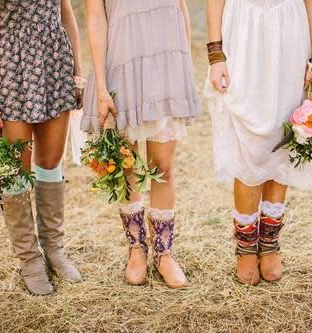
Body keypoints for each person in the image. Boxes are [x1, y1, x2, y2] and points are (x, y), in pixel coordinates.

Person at [205, 0, 312, 285]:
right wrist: (215, 53)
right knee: (250, 141)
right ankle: (246, 244)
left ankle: (270, 240)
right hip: (242, 30)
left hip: (290, 30)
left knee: (284, 132)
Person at [0, 0, 84, 295]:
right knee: (16, 169)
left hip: (55, 60)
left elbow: (66, 13)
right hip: (10, 67)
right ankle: (29, 259)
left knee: (51, 159)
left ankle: (54, 249)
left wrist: (78, 74)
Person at [84, 0, 200, 289]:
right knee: (127, 164)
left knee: (163, 166)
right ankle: (136, 248)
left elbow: (181, 7)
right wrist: (100, 86)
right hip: (124, 64)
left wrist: (183, 65)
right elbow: (96, 19)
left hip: (167, 63)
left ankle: (164, 252)